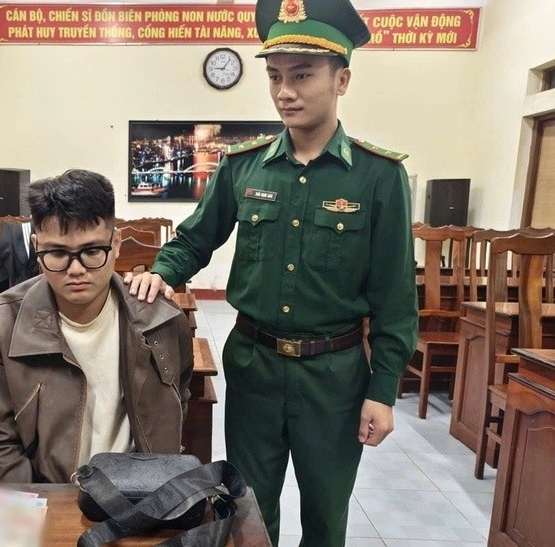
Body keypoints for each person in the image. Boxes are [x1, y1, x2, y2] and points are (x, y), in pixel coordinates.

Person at [126, 0, 419, 545]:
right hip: (254, 365)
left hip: (334, 377)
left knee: (325, 515)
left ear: (342, 79)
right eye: (275, 76)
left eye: (302, 75)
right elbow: (195, 237)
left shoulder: (378, 177)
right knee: (248, 512)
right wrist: (163, 272)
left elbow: (395, 297)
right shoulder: (243, 165)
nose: (285, 91)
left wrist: (383, 390)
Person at [0, 169, 193, 483]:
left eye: (91, 251)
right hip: (48, 495)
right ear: (36, 247)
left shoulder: (161, 318)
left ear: (116, 243)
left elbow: (178, 400)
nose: (75, 270)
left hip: (142, 492)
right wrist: (39, 504)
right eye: (57, 253)